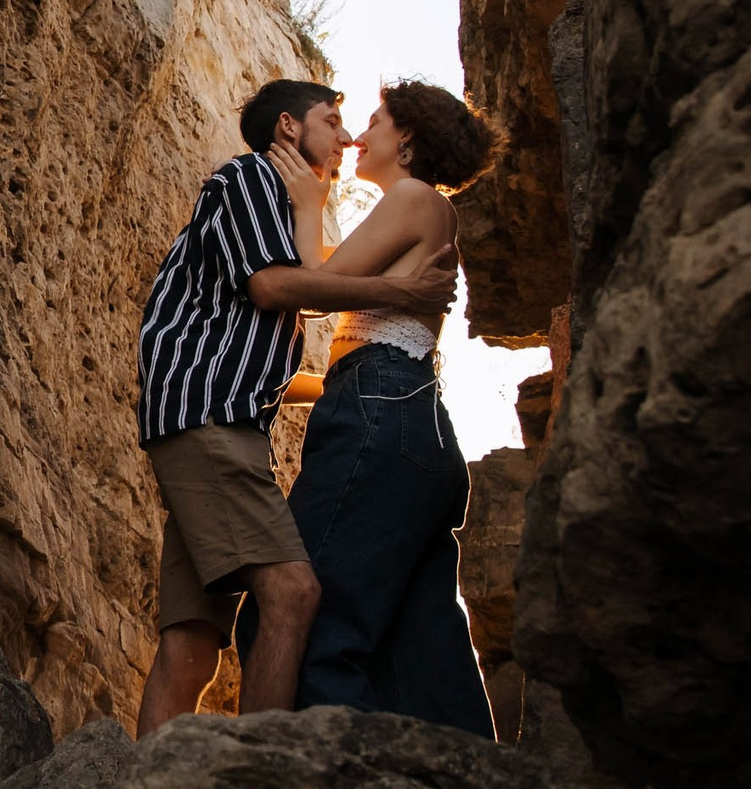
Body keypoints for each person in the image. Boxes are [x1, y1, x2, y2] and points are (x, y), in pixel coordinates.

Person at [134, 80, 459, 733]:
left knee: (192, 639)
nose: (347, 138)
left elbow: (265, 348)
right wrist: (399, 290)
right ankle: (261, 774)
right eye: (333, 122)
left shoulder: (281, 208)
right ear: (287, 127)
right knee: (293, 592)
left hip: (213, 416)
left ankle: (149, 785)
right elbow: (275, 286)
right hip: (211, 421)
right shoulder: (255, 179)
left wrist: (332, 380)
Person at [261, 79, 503, 734]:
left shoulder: (414, 196)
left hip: (381, 416)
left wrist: (310, 200)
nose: (359, 136)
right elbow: (365, 346)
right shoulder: (425, 212)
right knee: (426, 650)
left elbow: (320, 282)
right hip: (413, 427)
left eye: (374, 121)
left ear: (409, 138)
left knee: (315, 613)